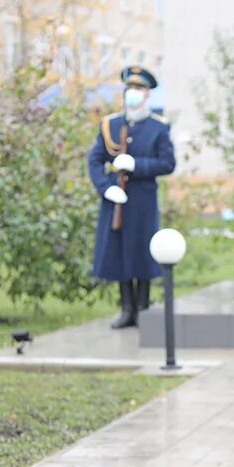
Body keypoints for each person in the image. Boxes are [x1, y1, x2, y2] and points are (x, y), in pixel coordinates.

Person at [87, 66, 176, 329]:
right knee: (119, 251)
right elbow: (95, 160)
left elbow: (167, 163)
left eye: (139, 89)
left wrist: (138, 165)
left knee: (142, 251)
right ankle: (126, 308)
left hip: (143, 200)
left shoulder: (158, 127)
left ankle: (143, 306)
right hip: (116, 198)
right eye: (130, 89)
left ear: (147, 94)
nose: (133, 94)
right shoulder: (110, 125)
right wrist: (105, 187)